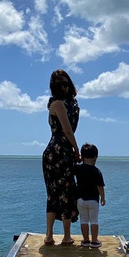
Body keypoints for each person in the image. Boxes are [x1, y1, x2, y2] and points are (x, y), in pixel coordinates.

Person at [42, 69, 81, 246]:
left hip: (60, 151)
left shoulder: (70, 102)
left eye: (66, 83)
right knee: (59, 193)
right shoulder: (58, 103)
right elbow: (67, 130)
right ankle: (55, 235)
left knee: (63, 192)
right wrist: (77, 149)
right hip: (59, 152)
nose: (63, 87)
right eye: (59, 85)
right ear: (54, 87)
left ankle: (58, 236)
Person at [74, 143, 106, 249]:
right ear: (95, 157)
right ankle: (94, 241)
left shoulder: (78, 169)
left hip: (80, 200)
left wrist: (77, 159)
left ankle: (86, 240)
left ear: (82, 157)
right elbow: (100, 187)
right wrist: (103, 198)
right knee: (94, 221)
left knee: (83, 220)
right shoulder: (97, 171)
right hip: (93, 200)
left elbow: (72, 166)